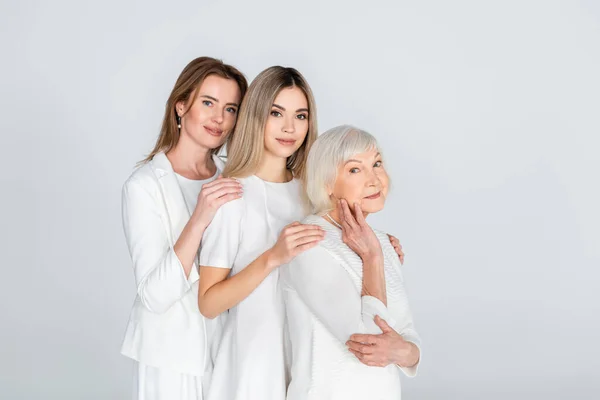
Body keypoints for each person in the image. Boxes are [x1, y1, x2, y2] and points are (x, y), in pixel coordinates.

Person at [120, 56, 247, 400]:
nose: (219, 118)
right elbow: (154, 296)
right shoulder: (144, 186)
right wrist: (200, 216)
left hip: (230, 352)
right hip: (170, 360)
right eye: (208, 103)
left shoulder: (236, 179)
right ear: (180, 106)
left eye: (231, 108)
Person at [196, 66, 322, 400]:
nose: (290, 128)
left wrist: (377, 247)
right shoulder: (232, 194)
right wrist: (272, 258)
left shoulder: (313, 194)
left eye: (300, 115)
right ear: (256, 116)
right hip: (251, 363)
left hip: (307, 359)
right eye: (276, 113)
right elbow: (208, 303)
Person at [281, 125, 422, 400]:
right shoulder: (310, 242)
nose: (374, 179)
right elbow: (367, 341)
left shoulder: (382, 243)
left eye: (377, 163)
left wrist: (405, 352)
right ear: (327, 184)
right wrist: (371, 258)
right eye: (355, 169)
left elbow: (408, 337)